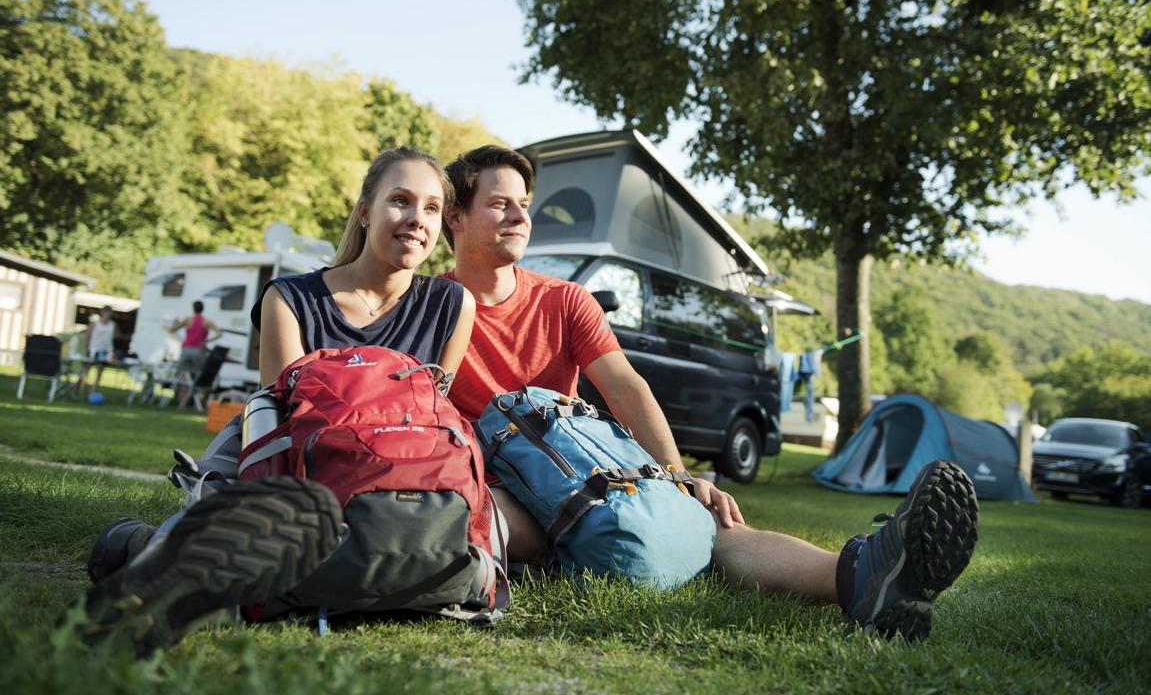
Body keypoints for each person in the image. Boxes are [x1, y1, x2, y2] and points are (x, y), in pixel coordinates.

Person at [440, 145, 979, 639]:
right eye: (500, 203)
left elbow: (626, 388)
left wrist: (676, 479)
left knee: (702, 524)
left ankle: (866, 572)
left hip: (573, 468)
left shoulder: (565, 300)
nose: (520, 216)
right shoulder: (427, 304)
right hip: (493, 480)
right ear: (456, 217)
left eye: (525, 204)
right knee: (484, 516)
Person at [80, 147, 476, 655]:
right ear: (364, 210)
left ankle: (142, 546)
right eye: (399, 201)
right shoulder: (289, 296)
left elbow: (430, 415)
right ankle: (147, 578)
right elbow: (280, 413)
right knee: (225, 506)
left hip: (391, 463)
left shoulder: (451, 303)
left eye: (430, 208)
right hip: (290, 444)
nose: (416, 220)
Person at [167, 300, 221, 404]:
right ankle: (199, 402)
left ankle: (182, 401)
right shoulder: (207, 321)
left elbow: (171, 330)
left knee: (183, 377)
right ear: (202, 309)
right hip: (199, 351)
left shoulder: (188, 320)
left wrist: (175, 323)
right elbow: (219, 333)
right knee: (200, 377)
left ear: (193, 308)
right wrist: (206, 341)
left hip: (186, 350)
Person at [80, 305, 119, 396]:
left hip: (106, 351)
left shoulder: (113, 325)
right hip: (93, 350)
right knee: (86, 370)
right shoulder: (95, 324)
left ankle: (92, 393)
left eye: (109, 313)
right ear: (102, 312)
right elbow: (87, 336)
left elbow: (117, 334)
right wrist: (85, 349)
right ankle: (78, 389)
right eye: (106, 313)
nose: (108, 315)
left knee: (99, 371)